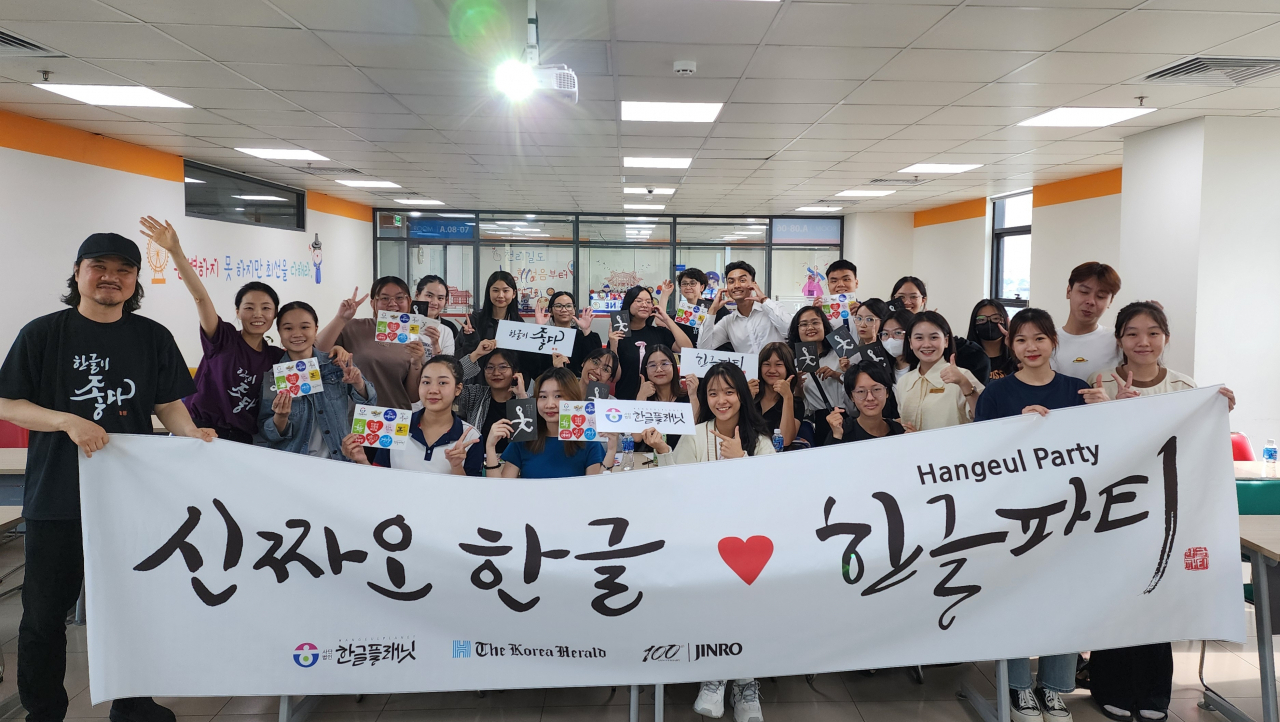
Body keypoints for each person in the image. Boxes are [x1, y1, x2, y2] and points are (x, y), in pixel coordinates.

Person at [0, 232, 215, 722]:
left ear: (135, 281)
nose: (111, 278)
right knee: (43, 617)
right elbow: (8, 402)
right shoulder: (43, 334)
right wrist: (65, 420)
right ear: (77, 272)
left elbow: (166, 403)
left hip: (129, 500)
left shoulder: (152, 337)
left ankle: (134, 703)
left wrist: (190, 434)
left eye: (124, 270)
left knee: (131, 608)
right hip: (57, 497)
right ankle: (44, 711)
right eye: (99, 266)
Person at [1083, 301, 1233, 722]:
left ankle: (1153, 692)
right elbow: (1089, 450)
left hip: (1167, 511)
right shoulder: (1102, 384)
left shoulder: (1186, 388)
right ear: (1119, 340)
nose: (1142, 342)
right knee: (1117, 598)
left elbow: (1195, 444)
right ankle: (1108, 685)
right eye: (1132, 333)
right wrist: (1116, 412)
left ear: (1166, 337)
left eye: (1152, 332)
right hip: (1115, 510)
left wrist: (1219, 410)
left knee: (1158, 600)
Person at [973, 308, 1108, 722]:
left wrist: (1107, 411)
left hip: (1069, 511)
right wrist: (1016, 428)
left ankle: (1053, 688)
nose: (1030, 347)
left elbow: (1103, 448)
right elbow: (980, 455)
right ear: (1011, 347)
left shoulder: (1076, 390)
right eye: (1020, 340)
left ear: (1053, 342)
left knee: (1063, 596)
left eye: (1039, 339)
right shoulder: (996, 395)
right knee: (1013, 597)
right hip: (1013, 514)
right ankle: (1017, 688)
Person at [644, 362, 772, 722]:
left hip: (751, 545)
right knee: (713, 597)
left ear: (742, 396)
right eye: (713, 393)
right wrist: (660, 449)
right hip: (704, 541)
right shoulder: (695, 435)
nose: (721, 400)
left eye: (729, 391)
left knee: (747, 600)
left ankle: (745, 682)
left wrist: (743, 461)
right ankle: (716, 675)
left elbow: (774, 494)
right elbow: (677, 488)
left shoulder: (760, 441)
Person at [138, 216, 282, 444]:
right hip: (199, 432)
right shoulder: (222, 338)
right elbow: (200, 297)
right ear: (237, 311)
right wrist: (175, 251)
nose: (258, 314)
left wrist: (337, 346)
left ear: (274, 314)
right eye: (249, 307)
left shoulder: (275, 356)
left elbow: (310, 350)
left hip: (243, 441)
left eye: (266, 308)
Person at [260, 302, 375, 460]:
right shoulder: (275, 375)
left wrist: (358, 383)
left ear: (315, 329)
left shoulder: (336, 363)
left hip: (339, 460)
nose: (297, 334)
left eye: (305, 327)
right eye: (288, 328)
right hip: (295, 464)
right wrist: (280, 418)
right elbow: (267, 432)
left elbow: (371, 403)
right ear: (279, 331)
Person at [342, 355, 483, 476]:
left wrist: (456, 466)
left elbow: (470, 496)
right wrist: (361, 460)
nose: (433, 390)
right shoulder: (396, 425)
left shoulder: (471, 437)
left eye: (442, 383)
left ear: (458, 389)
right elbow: (379, 480)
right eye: (426, 382)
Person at [317, 277, 428, 409]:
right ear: (373, 303)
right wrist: (340, 318)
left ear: (409, 301)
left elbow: (413, 396)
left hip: (393, 419)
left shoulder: (414, 337)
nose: (392, 303)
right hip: (354, 418)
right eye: (384, 298)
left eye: (399, 298)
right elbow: (317, 350)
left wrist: (416, 363)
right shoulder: (354, 328)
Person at [486, 367, 616, 477]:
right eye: (543, 396)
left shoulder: (588, 441)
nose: (549, 404)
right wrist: (490, 448)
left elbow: (595, 490)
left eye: (558, 396)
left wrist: (611, 451)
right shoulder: (524, 438)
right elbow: (502, 491)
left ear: (573, 398)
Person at [457, 270, 553, 382]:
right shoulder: (474, 321)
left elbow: (528, 364)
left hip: (509, 389)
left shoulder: (518, 324)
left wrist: (539, 330)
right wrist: (470, 339)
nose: (500, 295)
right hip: (478, 389)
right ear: (489, 293)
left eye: (505, 290)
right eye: (495, 290)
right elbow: (458, 361)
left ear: (513, 294)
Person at [896, 311, 983, 431]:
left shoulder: (963, 376)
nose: (926, 344)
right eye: (919, 338)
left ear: (946, 341)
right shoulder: (904, 381)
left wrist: (964, 383)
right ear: (910, 342)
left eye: (934, 337)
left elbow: (984, 416)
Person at [610, 285, 692, 401]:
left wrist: (667, 320)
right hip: (626, 399)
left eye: (649, 302)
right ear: (628, 304)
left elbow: (687, 348)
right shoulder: (619, 336)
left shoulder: (659, 333)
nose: (644, 305)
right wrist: (613, 345)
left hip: (658, 401)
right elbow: (613, 377)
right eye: (639, 301)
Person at [1050, 262, 1122, 382]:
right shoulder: (1047, 340)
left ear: (1110, 301)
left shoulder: (1117, 341)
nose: (1091, 301)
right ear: (1069, 291)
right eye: (1084, 292)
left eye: (1101, 296)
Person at [698, 261, 790, 354]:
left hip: (776, 368)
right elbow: (703, 348)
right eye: (731, 282)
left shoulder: (774, 307)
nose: (737, 285)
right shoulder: (728, 322)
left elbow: (789, 332)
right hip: (747, 369)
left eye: (742, 280)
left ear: (754, 284)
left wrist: (764, 300)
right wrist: (712, 310)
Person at [787, 306, 844, 444]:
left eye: (815, 322)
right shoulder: (793, 362)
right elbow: (801, 403)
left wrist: (837, 375)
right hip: (820, 422)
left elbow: (857, 385)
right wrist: (798, 386)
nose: (810, 327)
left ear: (824, 325)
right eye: (804, 324)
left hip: (845, 416)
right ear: (797, 329)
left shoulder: (840, 353)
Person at [826, 361, 904, 444]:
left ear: (887, 392)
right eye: (861, 391)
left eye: (876, 389)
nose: (870, 398)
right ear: (851, 396)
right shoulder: (842, 432)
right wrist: (837, 436)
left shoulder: (899, 432)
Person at [536, 290, 602, 374]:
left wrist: (586, 330)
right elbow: (535, 367)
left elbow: (596, 364)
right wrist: (538, 329)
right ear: (551, 311)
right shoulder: (545, 337)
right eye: (558, 306)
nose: (564, 310)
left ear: (574, 310)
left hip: (579, 385)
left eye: (568, 306)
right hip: (549, 384)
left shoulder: (583, 336)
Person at [752, 342, 803, 449]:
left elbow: (785, 440)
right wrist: (746, 398)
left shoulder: (796, 403)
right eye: (766, 364)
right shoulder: (750, 395)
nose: (772, 370)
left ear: (788, 368)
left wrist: (787, 397)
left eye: (779, 364)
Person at [967, 299, 1019, 381]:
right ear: (974, 324)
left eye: (996, 318)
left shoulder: (1016, 356)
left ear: (1005, 321)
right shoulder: (964, 356)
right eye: (981, 319)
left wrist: (1016, 344)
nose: (989, 323)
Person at [412, 273, 457, 357]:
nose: (434, 302)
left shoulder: (447, 330)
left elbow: (448, 366)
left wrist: (435, 345)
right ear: (417, 295)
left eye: (440, 298)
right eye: (429, 295)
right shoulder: (402, 323)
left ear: (445, 301)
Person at [673, 267, 713, 345]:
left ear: (702, 287)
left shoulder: (715, 306)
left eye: (692, 283)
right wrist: (665, 293)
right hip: (691, 354)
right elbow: (661, 322)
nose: (688, 287)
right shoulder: (682, 313)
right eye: (684, 283)